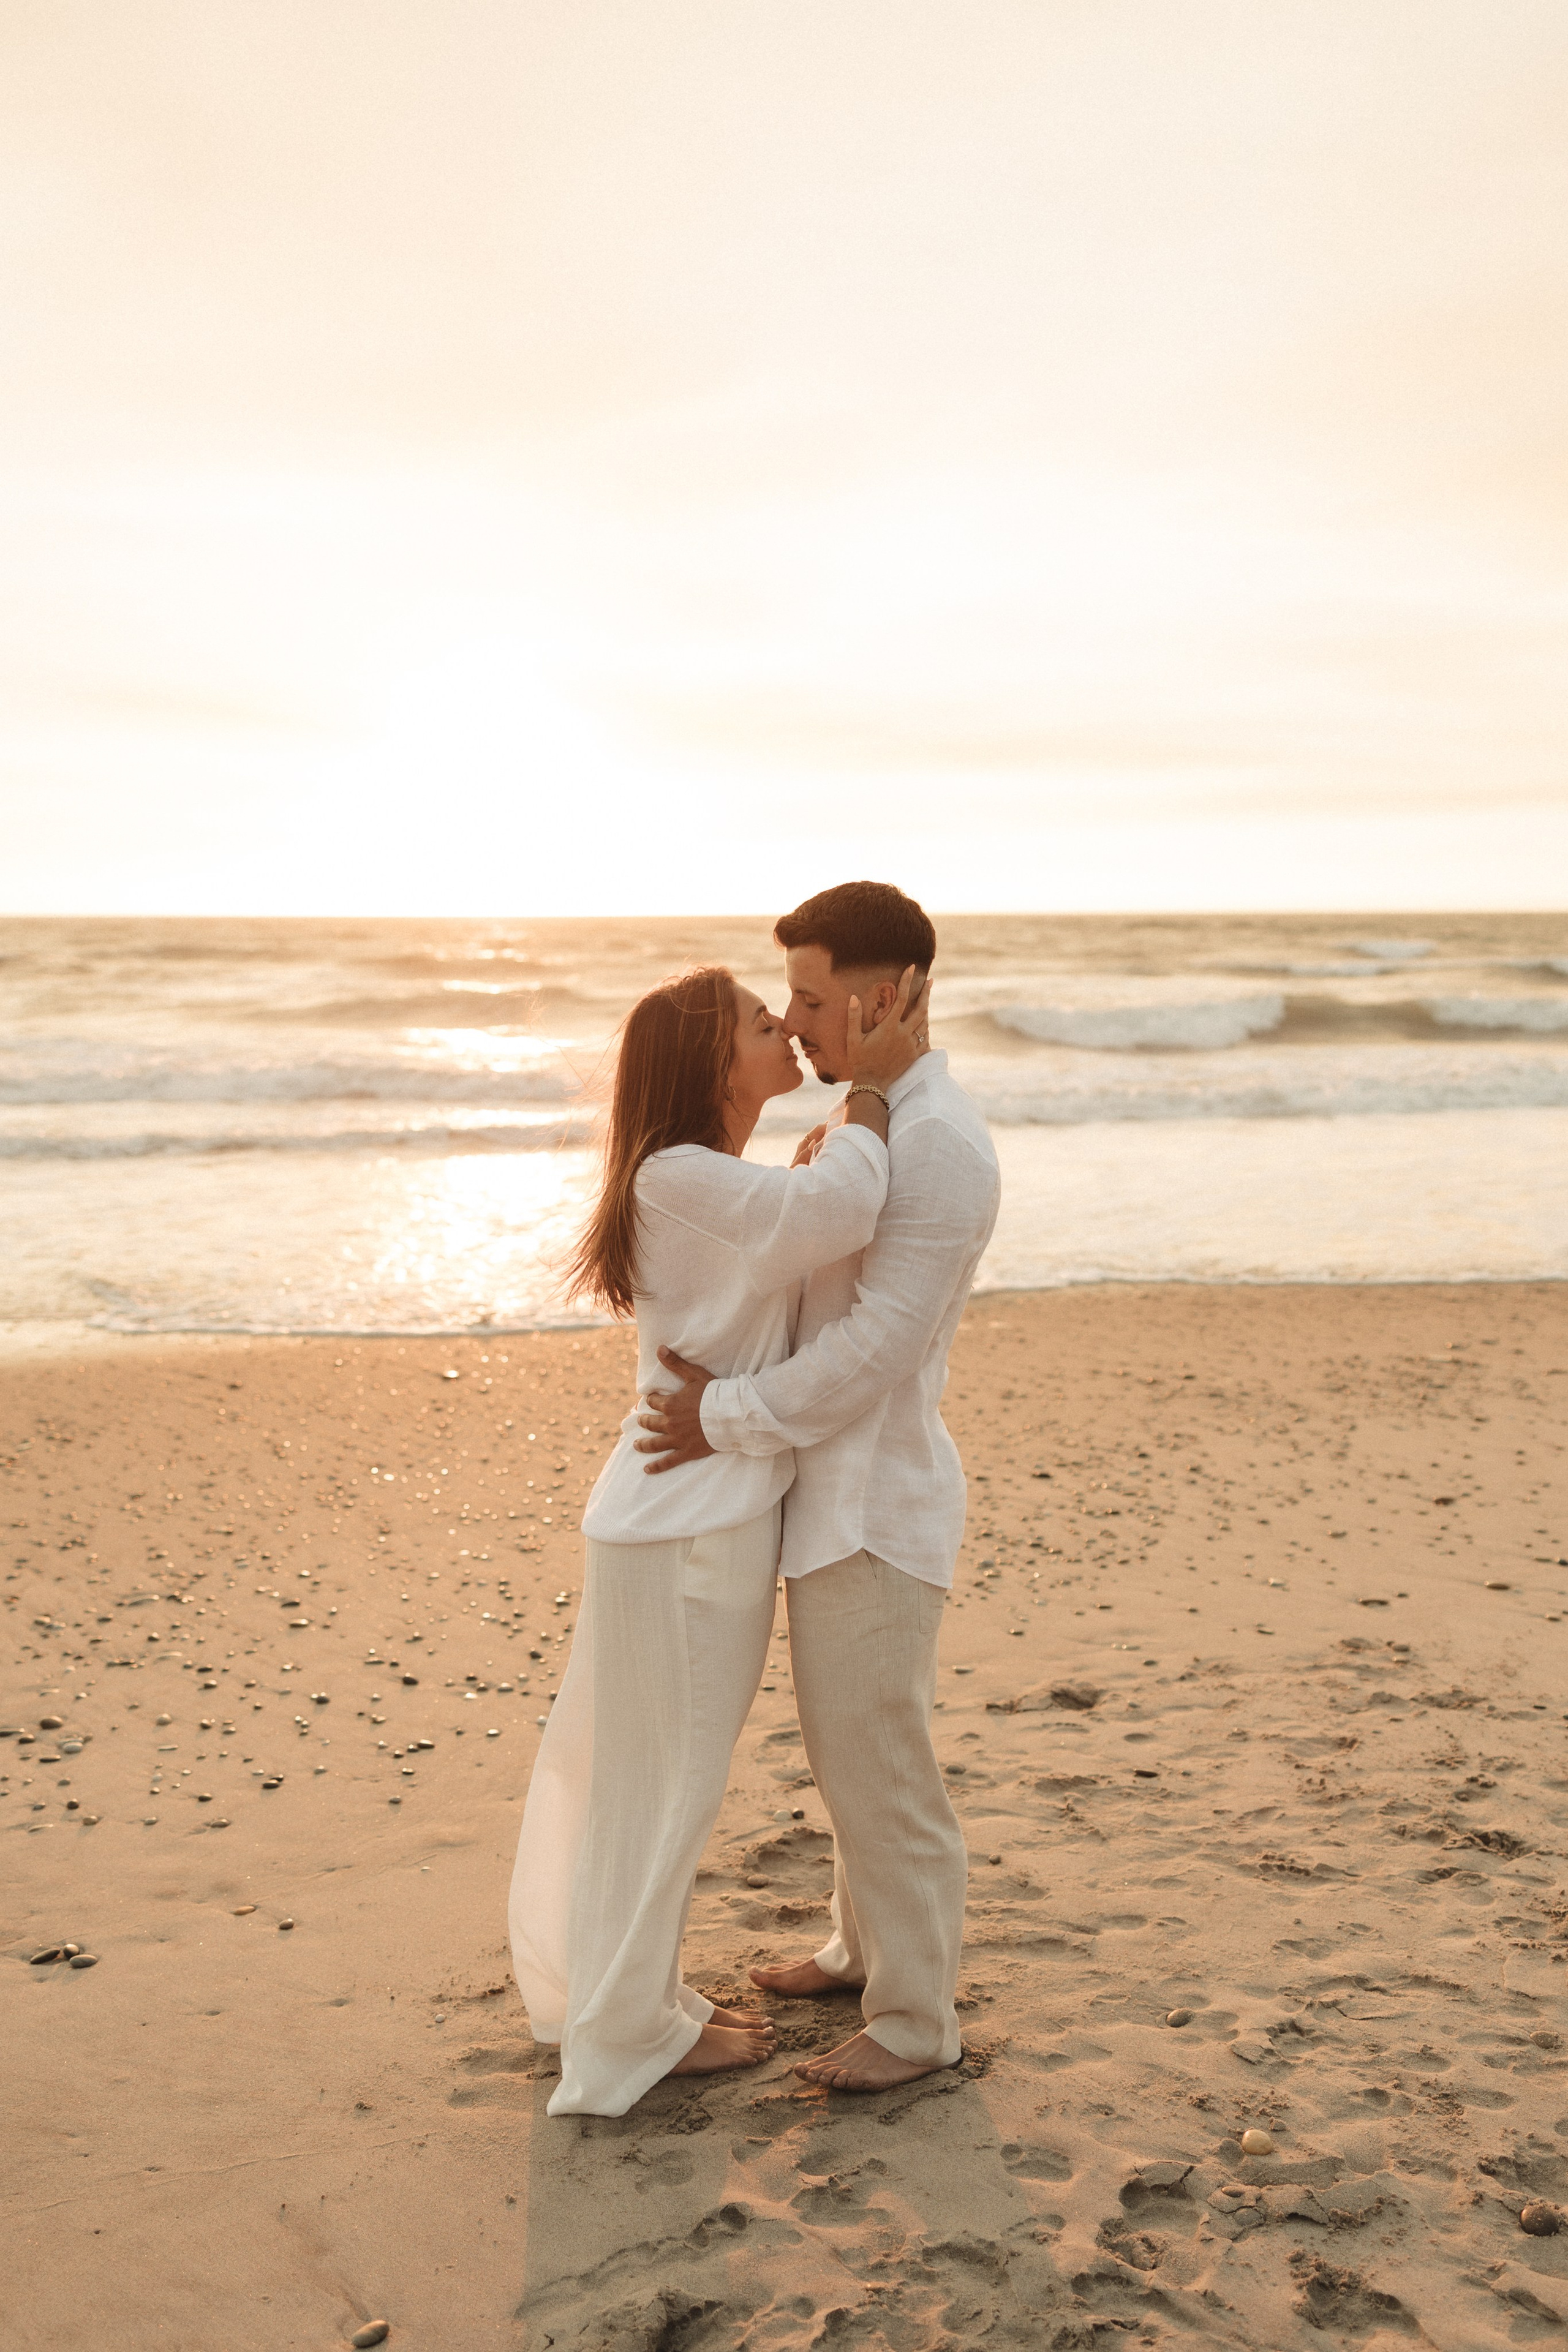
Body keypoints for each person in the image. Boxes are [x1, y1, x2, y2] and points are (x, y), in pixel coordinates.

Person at [508, 957, 925, 2118]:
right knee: (659, 1790)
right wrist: (875, 1097)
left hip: (696, 1520)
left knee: (650, 1784)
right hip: (687, 1531)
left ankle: (630, 2002)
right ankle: (628, 2032)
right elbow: (845, 1212)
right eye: (759, 1021)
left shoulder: (701, 1177)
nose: (786, 1031)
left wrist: (818, 1151)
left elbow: (790, 1263)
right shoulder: (683, 1176)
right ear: (712, 1060)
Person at [635, 881, 1001, 2093]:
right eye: (780, 1000)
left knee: (882, 1763)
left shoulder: (936, 1144)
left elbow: (872, 1350)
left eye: (808, 997)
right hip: (826, 1500)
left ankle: (914, 2021)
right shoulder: (879, 1120)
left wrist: (717, 1417)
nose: (790, 1023)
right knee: (848, 1752)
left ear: (885, 994)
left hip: (877, 1506)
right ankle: (858, 1950)